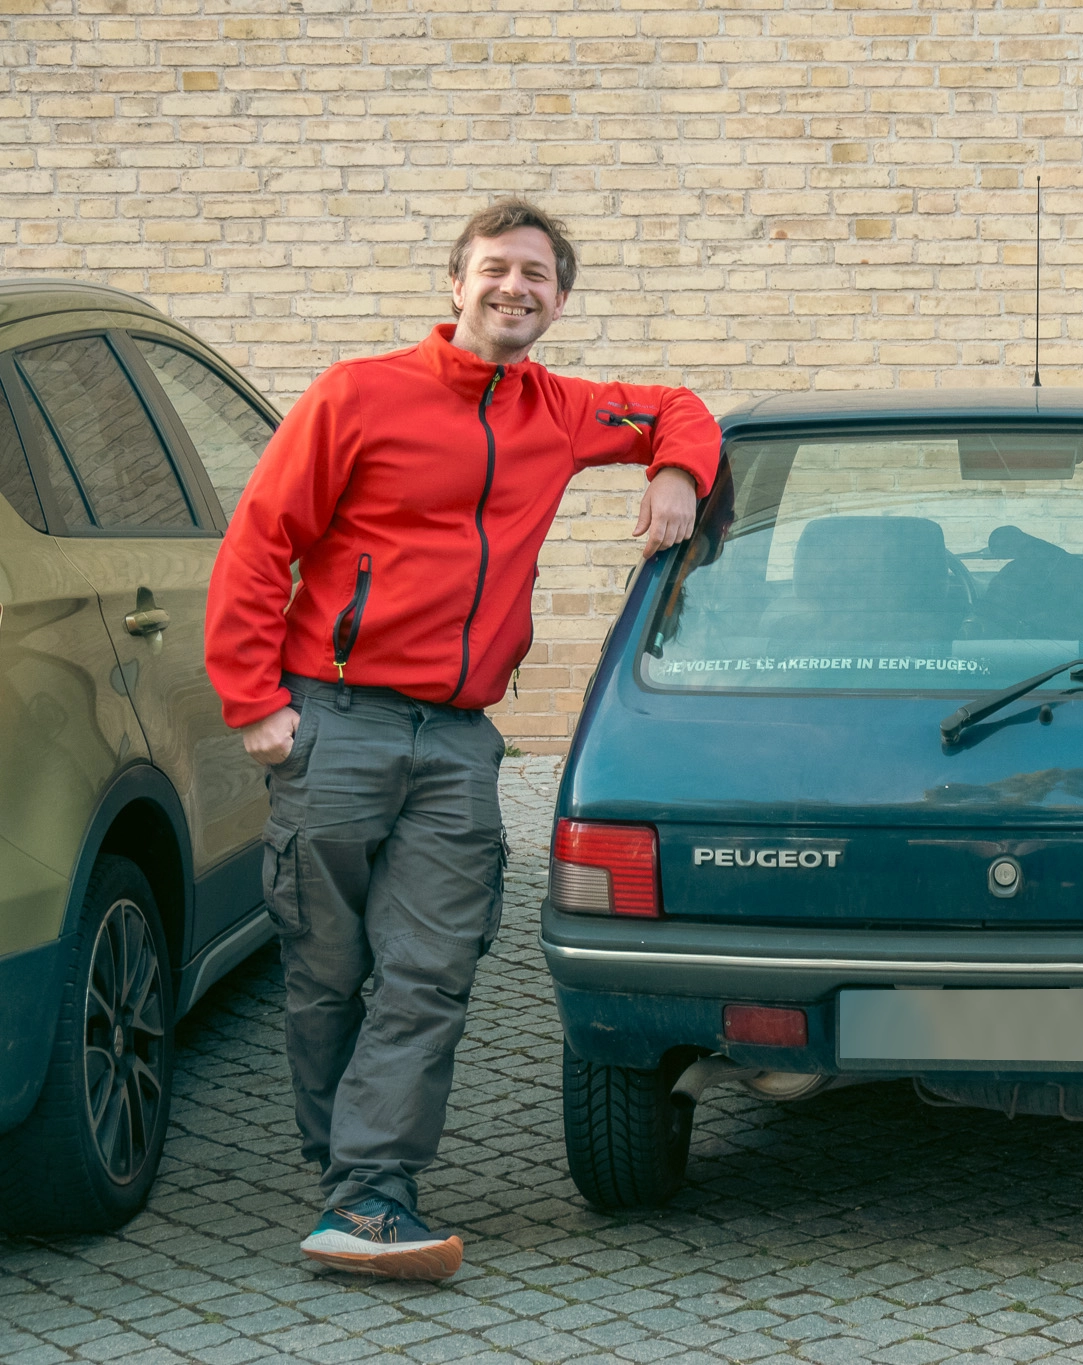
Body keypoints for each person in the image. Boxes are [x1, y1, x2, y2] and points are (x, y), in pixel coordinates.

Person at [204, 199, 720, 1280]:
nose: (515, 289)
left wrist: (676, 472)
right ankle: (345, 1174)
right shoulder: (358, 394)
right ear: (455, 286)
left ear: (559, 299)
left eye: (537, 275)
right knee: (327, 975)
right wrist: (254, 702)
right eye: (496, 269)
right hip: (332, 721)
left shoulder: (562, 410)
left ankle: (371, 1194)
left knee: (429, 972)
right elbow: (261, 542)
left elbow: (678, 407)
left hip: (456, 744)